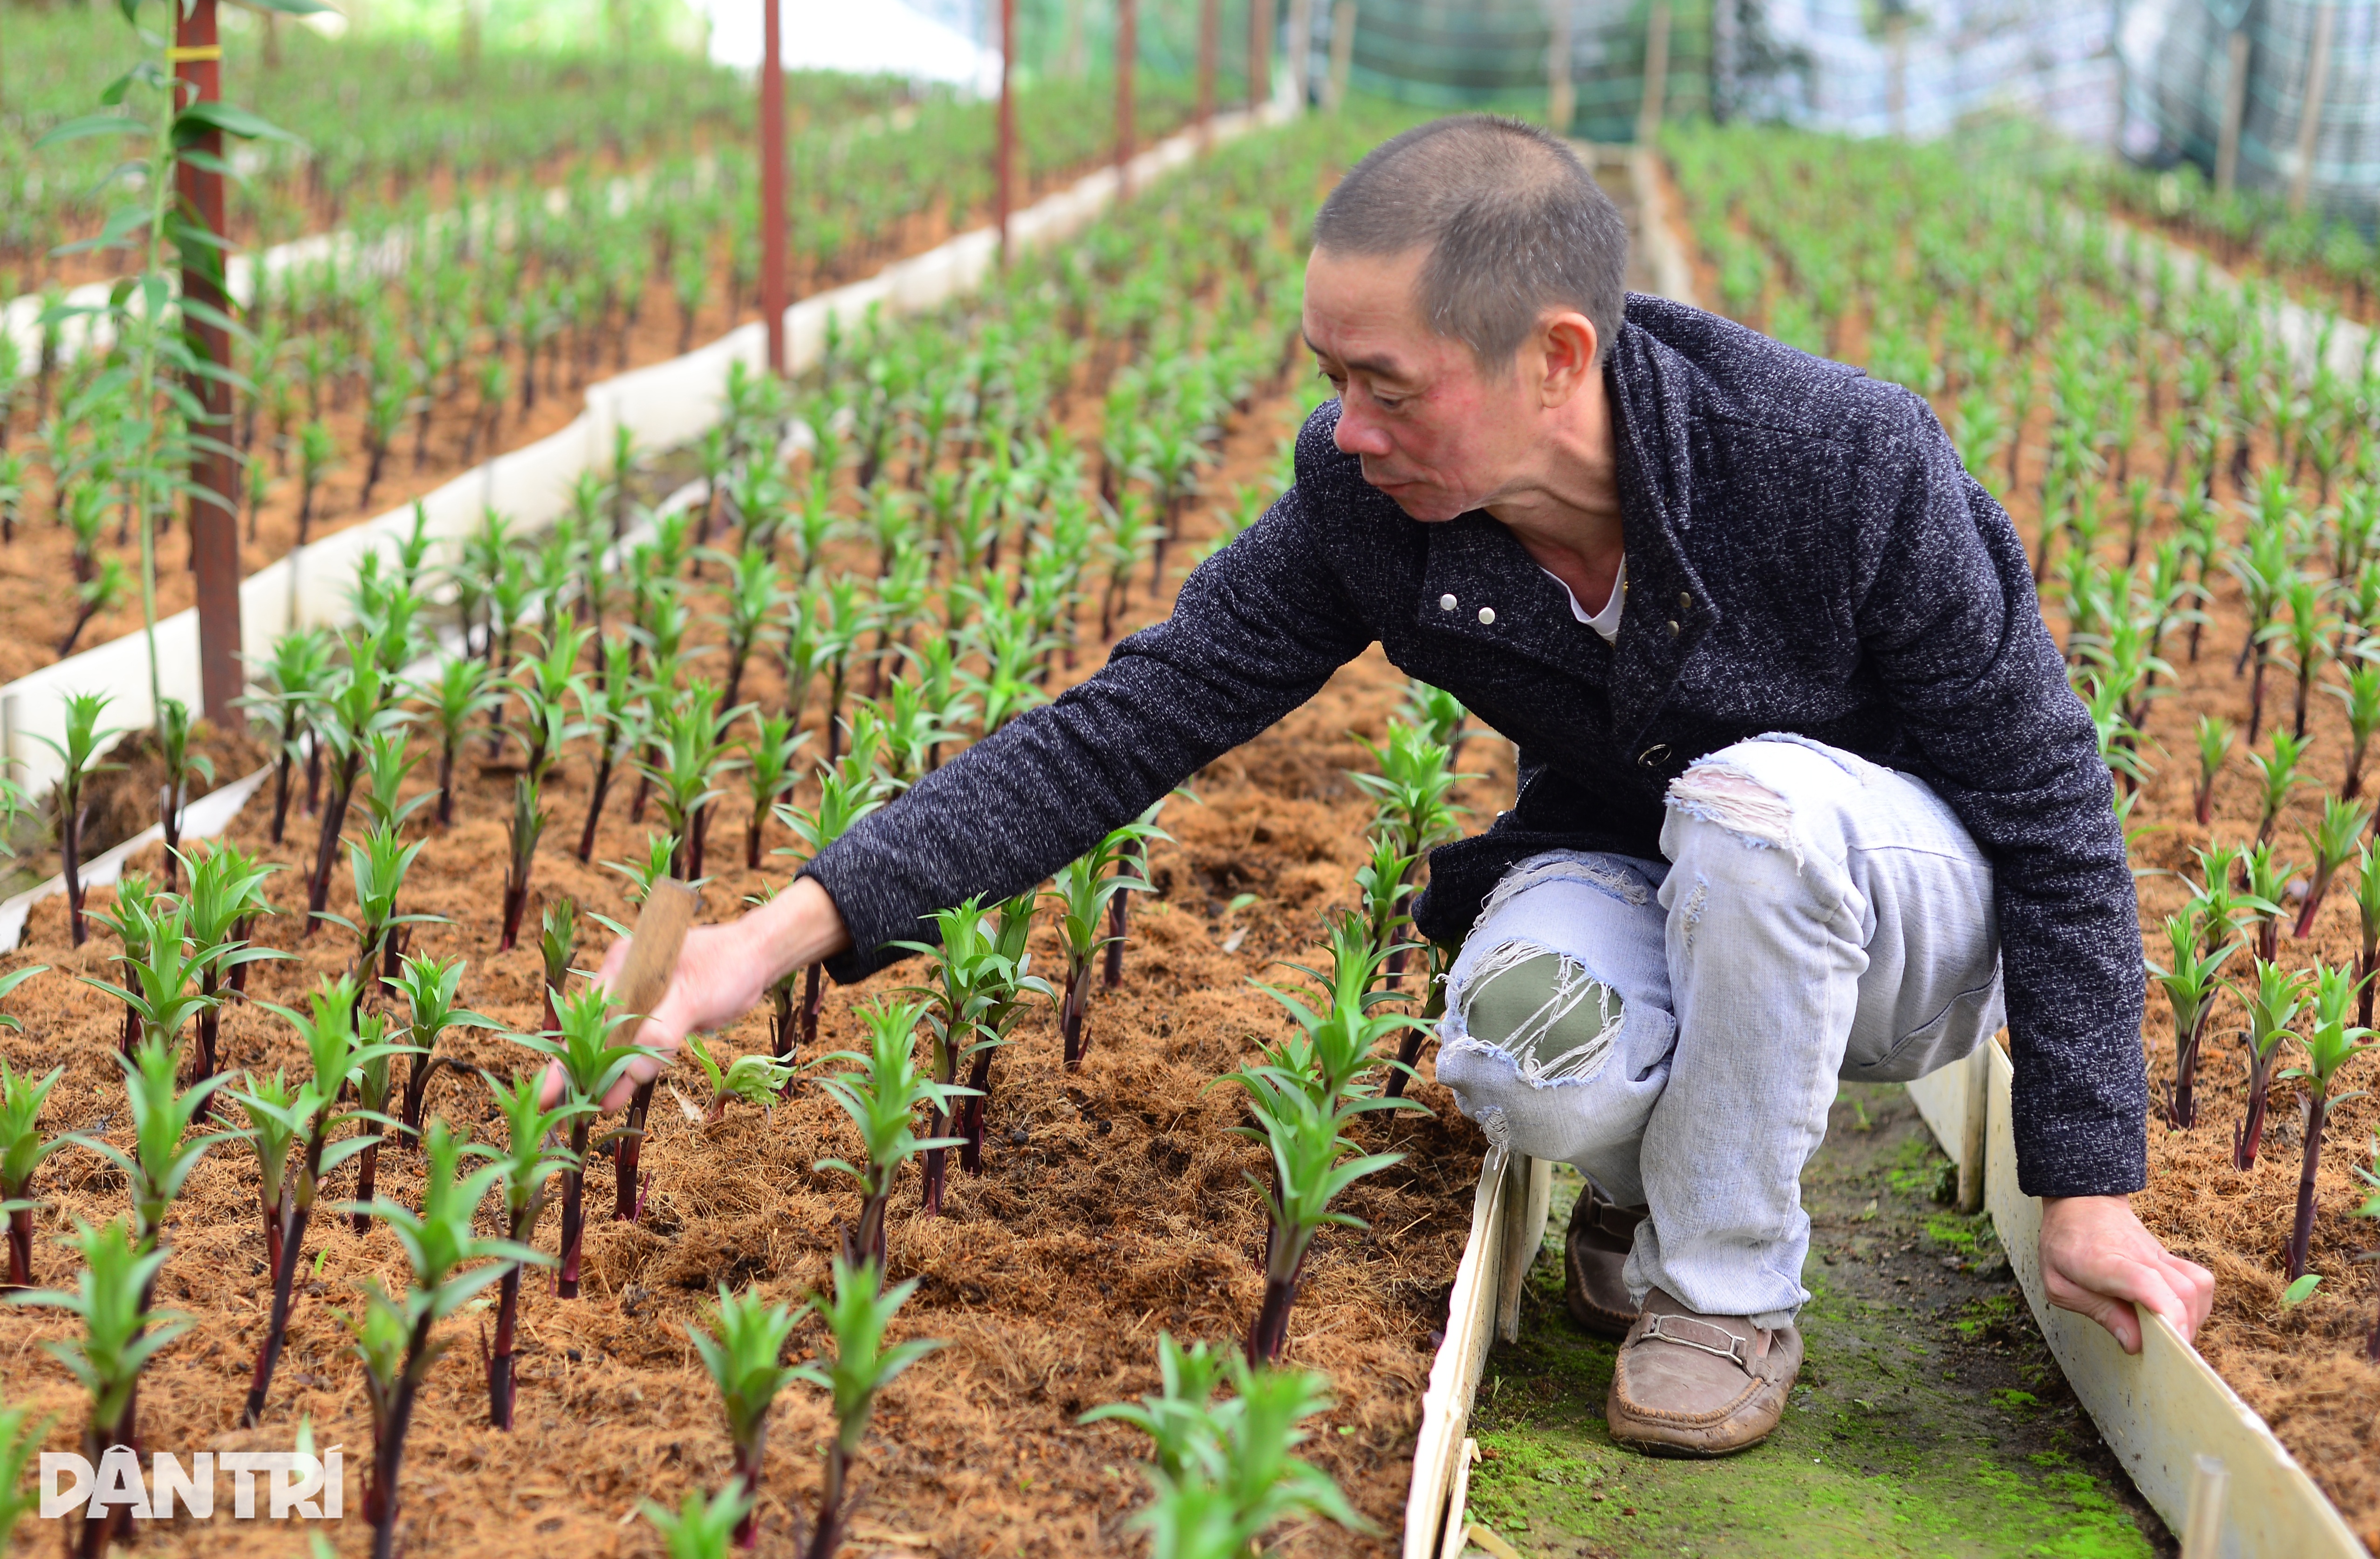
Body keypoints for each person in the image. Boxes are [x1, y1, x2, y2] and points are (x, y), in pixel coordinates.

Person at [588, 113, 2213, 1457]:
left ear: (1556, 354)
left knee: (1757, 806)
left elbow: (2052, 816)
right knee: (1520, 1059)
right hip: (1643, 864)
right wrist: (781, 931)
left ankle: (1723, 1295)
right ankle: (1646, 1197)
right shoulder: (1374, 506)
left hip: (1889, 910)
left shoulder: (1838, 461)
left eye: (1387, 382)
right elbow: (1132, 718)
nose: (1345, 426)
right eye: (1329, 374)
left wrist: (2084, 1187)